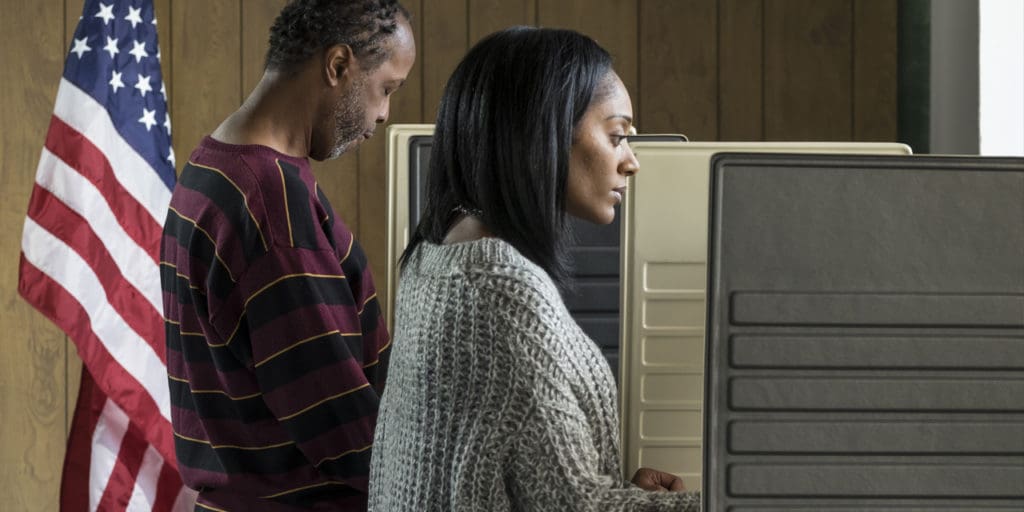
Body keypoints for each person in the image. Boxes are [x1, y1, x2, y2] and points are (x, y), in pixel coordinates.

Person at [368, 27, 701, 511]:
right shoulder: (503, 290)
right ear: (543, 131)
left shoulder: (436, 254)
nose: (631, 161)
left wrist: (617, 488)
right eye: (616, 135)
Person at [159, 0, 415, 509]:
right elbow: (340, 424)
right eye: (386, 88)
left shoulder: (212, 164)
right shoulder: (269, 203)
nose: (385, 114)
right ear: (338, 65)